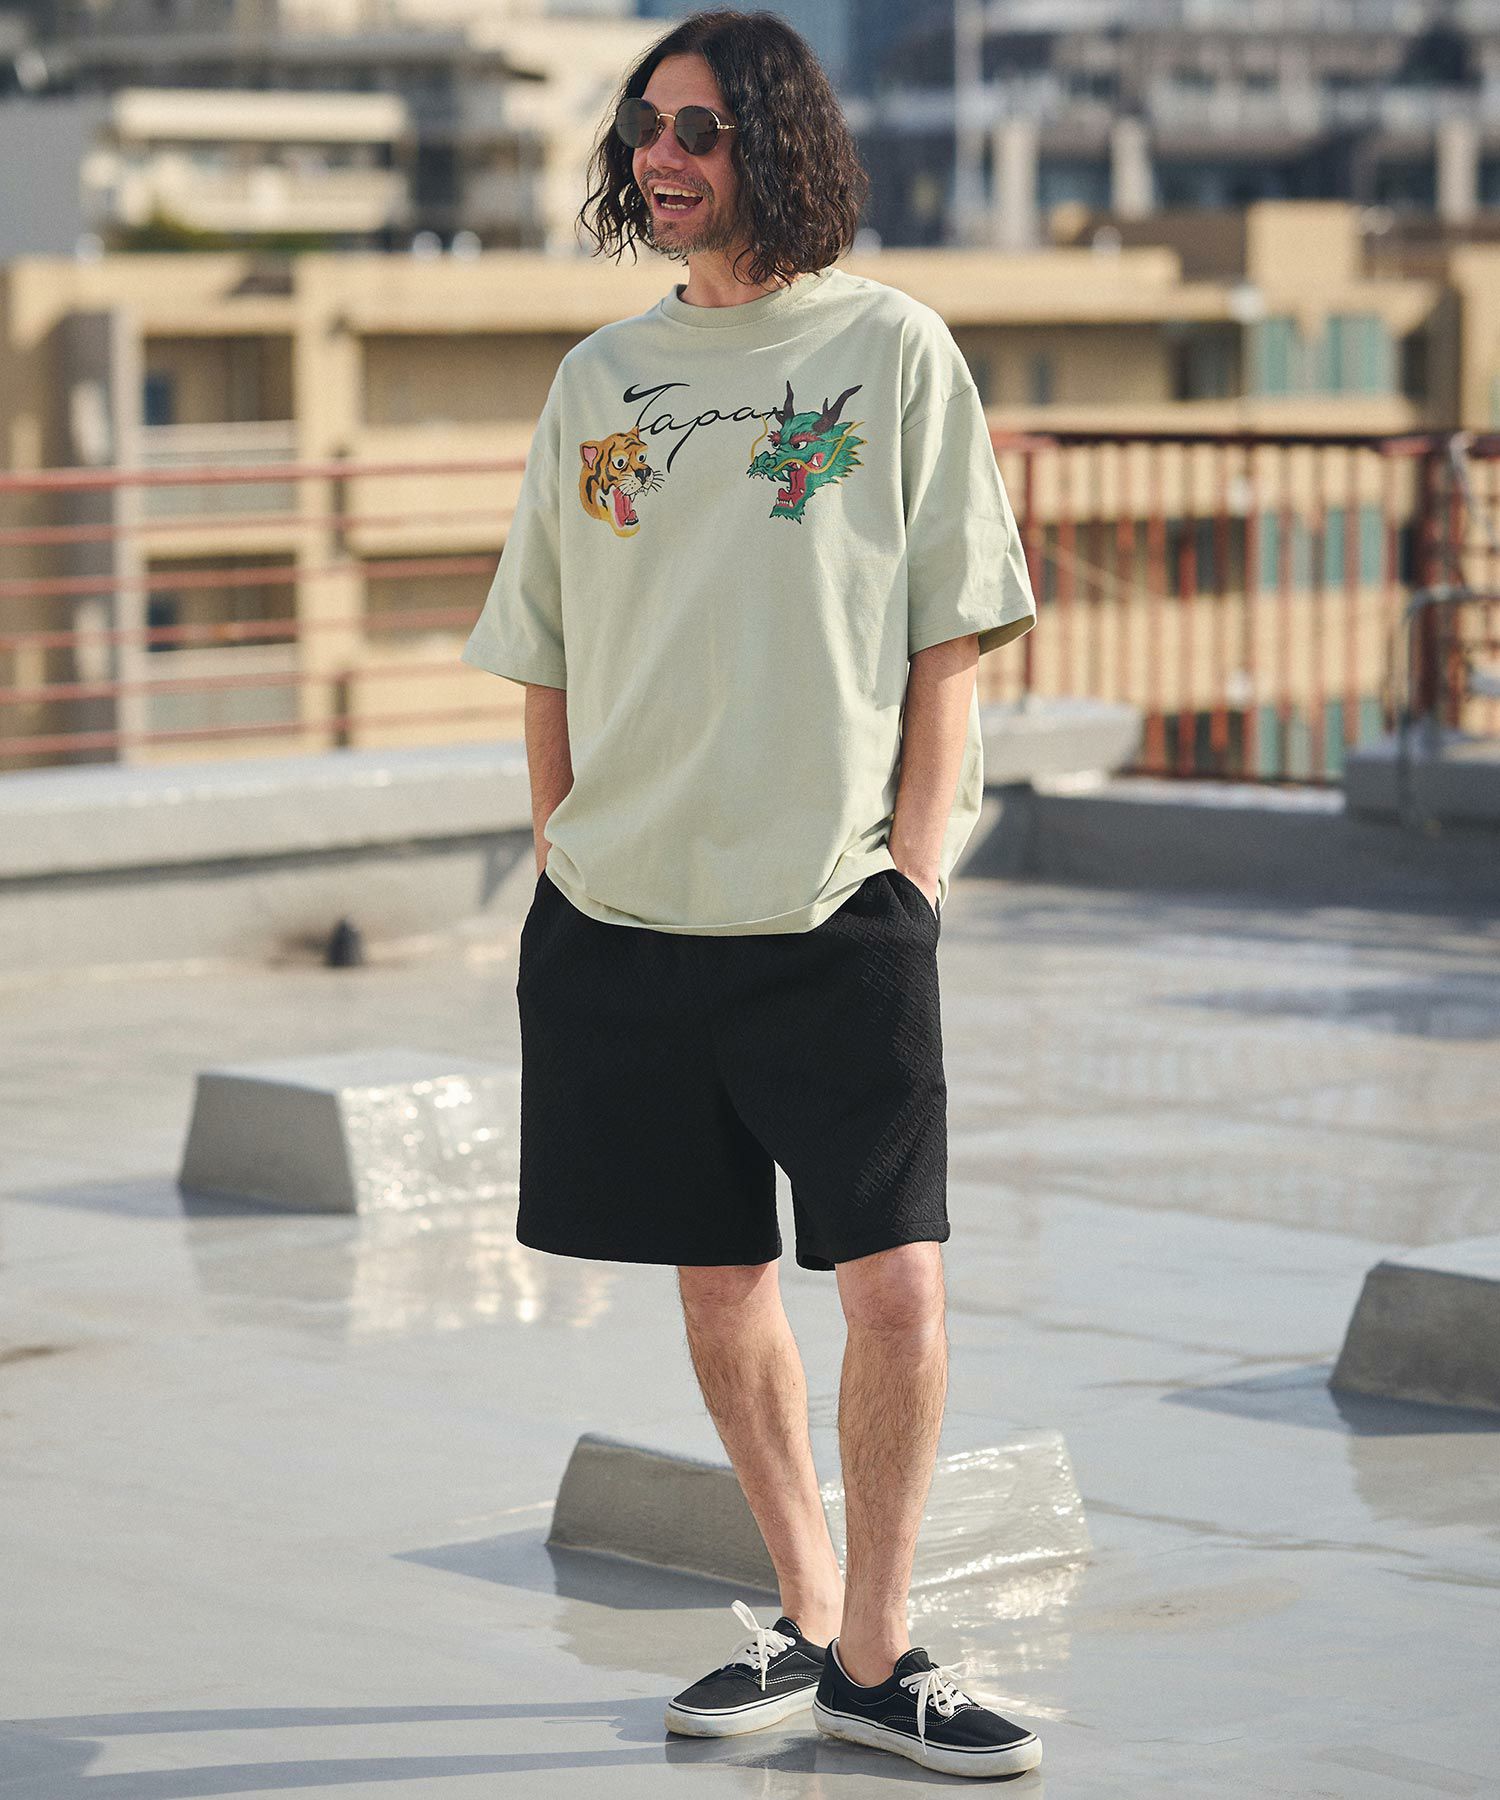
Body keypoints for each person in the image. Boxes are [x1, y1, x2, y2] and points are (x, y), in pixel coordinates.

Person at [460, 8, 1040, 1781]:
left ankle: (879, 1654)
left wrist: (915, 873)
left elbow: (951, 635)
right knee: (718, 1290)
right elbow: (543, 644)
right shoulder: (599, 381)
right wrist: (560, 844)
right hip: (626, 920)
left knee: (897, 1295)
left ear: (776, 144)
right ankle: (809, 1613)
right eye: (646, 126)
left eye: (699, 127)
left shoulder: (892, 350)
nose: (662, 155)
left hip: (836, 912)